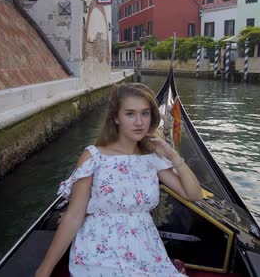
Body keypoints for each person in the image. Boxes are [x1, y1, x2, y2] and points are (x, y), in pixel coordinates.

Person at [35, 82, 202, 277]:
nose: (139, 122)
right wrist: (44, 270)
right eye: (130, 114)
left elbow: (194, 194)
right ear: (115, 117)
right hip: (99, 247)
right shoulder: (93, 156)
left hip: (145, 248)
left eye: (145, 113)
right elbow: (73, 216)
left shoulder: (153, 158)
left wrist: (172, 155)